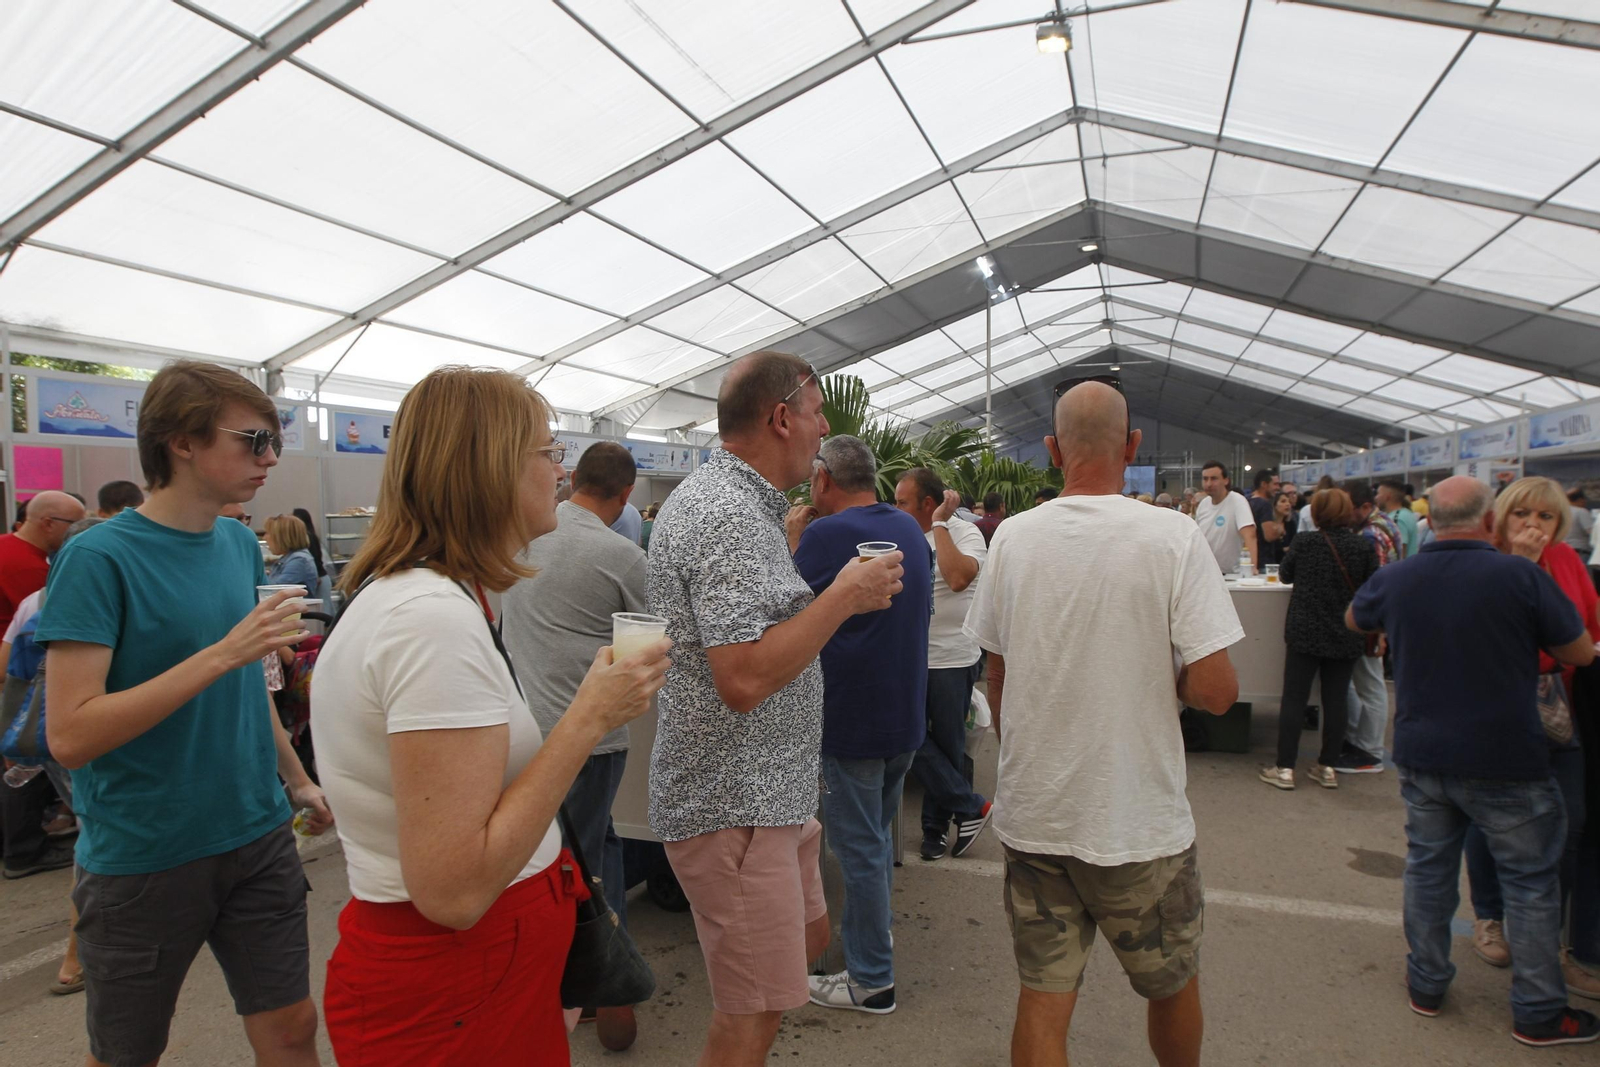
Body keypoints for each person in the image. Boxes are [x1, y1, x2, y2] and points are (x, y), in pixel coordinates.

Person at [312, 367, 670, 1067]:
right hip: (454, 987)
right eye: (547, 452)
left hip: (477, 979)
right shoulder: (429, 621)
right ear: (491, 468)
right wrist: (588, 716)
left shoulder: (434, 600)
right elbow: (455, 886)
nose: (560, 471)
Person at [40, 361, 332, 1067]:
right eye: (253, 440)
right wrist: (222, 653)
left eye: (274, 440)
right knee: (129, 1050)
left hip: (256, 834)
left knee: (293, 1025)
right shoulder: (95, 557)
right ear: (181, 441)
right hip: (145, 855)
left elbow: (243, 692)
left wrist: (295, 779)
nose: (270, 458)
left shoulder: (236, 543)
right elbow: (71, 733)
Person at [965, 379, 1242, 1067]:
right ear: (1134, 445)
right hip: (1138, 821)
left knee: (1042, 995)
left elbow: (995, 673)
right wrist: (1164, 671)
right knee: (1171, 984)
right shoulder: (1173, 536)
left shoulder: (1013, 540)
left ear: (1053, 449)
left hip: (1037, 815)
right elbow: (1216, 691)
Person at [646, 351, 902, 1067]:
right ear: (781, 416)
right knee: (752, 1010)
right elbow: (745, 676)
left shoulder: (744, 505)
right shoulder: (727, 513)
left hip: (769, 796)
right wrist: (844, 595)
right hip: (737, 804)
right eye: (819, 412)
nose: (824, 429)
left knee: (804, 947)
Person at [1348, 475, 1599, 1047]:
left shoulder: (1399, 576)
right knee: (1531, 885)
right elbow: (1579, 649)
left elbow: (1354, 620)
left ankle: (1426, 984)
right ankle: (1537, 1012)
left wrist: (1400, 626)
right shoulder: (1521, 576)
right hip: (1506, 756)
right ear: (1490, 521)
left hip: (1422, 756)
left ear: (1429, 521)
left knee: (1429, 871)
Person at [502, 439, 650, 1051]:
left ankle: (600, 979)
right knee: (582, 866)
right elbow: (653, 638)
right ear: (625, 494)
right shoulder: (619, 553)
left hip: (526, 728)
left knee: (598, 847)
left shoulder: (522, 538)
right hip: (589, 737)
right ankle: (588, 987)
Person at [790, 435, 931, 1015]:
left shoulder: (824, 536)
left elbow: (782, 610)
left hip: (851, 721)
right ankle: (876, 944)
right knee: (874, 841)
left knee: (859, 851)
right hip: (902, 716)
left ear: (822, 479)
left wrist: (795, 538)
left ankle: (871, 978)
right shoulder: (909, 529)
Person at [1460, 477, 1600, 999]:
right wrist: (1523, 568)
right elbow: (1496, 636)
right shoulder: (1487, 563)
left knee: (1572, 821)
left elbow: (1585, 629)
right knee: (1489, 819)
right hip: (1495, 712)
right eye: (1524, 515)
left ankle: (1547, 939)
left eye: (1546, 518)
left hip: (1561, 710)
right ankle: (1489, 916)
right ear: (1503, 517)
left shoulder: (1567, 562)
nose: (1534, 527)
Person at [895, 467, 992, 862]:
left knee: (950, 743)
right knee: (907, 734)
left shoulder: (965, 533)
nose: (896, 508)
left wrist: (938, 527)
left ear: (929, 505)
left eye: (903, 502)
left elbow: (956, 578)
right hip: (910, 655)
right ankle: (969, 806)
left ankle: (935, 831)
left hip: (952, 657)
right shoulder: (901, 533)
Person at [1259, 489, 1378, 790]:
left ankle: (1285, 768)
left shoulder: (1306, 542)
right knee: (1336, 701)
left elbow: (1285, 576)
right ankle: (1327, 766)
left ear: (1316, 513)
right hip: (1346, 632)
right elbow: (1371, 587)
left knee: (1294, 699)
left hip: (1305, 630)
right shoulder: (1362, 546)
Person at [1333, 481, 1401, 775]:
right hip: (1374, 618)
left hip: (1370, 620)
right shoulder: (1384, 524)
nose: (1344, 516)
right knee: (1365, 683)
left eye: (1348, 510)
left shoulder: (1371, 535)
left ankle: (1369, 752)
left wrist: (1380, 630)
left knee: (1370, 685)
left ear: (1363, 507)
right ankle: (1360, 742)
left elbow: (1375, 586)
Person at [0, 491, 84, 633]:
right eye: (75, 524)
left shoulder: (5, 543)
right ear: (48, 523)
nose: (79, 531)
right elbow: (40, 624)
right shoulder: (29, 568)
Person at [1195, 461, 1257, 574]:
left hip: (1234, 574)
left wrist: (1252, 568)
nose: (1208, 484)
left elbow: (1250, 535)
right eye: (1205, 479)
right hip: (1207, 573)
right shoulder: (1203, 504)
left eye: (1214, 478)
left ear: (1226, 480)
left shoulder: (1238, 501)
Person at [265, 514, 319, 590]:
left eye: (268, 533)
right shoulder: (289, 558)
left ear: (282, 537)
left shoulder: (299, 560)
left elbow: (274, 589)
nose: (265, 537)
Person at [1248, 469, 1284, 564]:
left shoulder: (1246, 501)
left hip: (1248, 560)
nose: (1278, 488)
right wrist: (1279, 528)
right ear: (1264, 484)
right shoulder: (1264, 504)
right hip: (1264, 561)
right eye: (1275, 484)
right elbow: (1269, 536)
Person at [1378, 479, 1420, 559]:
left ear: (1387, 496)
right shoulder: (1407, 513)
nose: (1376, 497)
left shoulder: (1396, 519)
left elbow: (1400, 552)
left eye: (1378, 494)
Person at [292, 507, 329, 582]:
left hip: (319, 577)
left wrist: (315, 574)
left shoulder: (308, 537)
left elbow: (314, 556)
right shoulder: (310, 535)